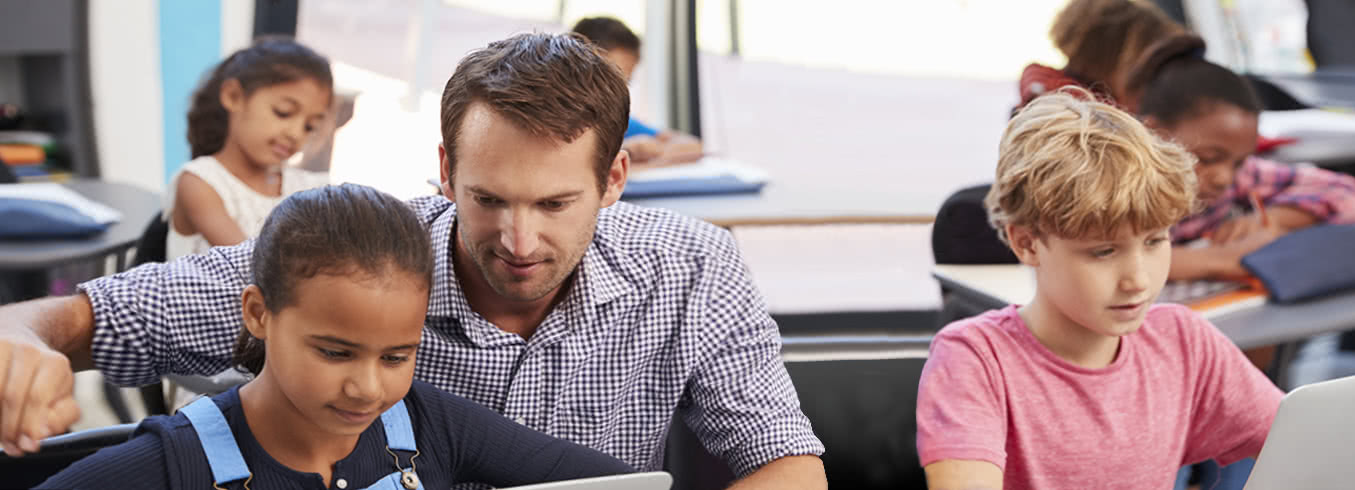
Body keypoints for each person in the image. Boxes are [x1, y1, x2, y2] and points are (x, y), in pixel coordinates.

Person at [0, 33, 826, 488]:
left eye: (553, 204)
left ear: (614, 180)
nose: (519, 241)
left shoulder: (696, 267)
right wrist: (25, 340)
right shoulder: (364, 253)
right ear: (444, 169)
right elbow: (93, 318)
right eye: (488, 198)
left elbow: (785, 461)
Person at [40, 184, 634, 489]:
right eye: (334, 352)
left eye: (398, 355)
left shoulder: (434, 425)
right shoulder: (172, 463)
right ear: (259, 313)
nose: (368, 388)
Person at [916, 88, 1284, 489]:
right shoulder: (974, 360)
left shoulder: (1183, 341)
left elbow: (1304, 443)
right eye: (1104, 252)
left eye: (1155, 241)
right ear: (1026, 243)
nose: (1138, 280)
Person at [1127, 37, 1355, 280]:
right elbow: (1115, 261)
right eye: (1208, 158)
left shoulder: (1240, 177)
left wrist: (1274, 218)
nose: (1225, 178)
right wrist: (1223, 259)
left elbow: (1352, 194)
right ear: (1153, 134)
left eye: (1238, 162)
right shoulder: (1116, 188)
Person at [167, 37, 333, 260]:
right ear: (233, 97)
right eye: (283, 112)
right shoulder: (199, 183)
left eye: (309, 126)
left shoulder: (304, 188)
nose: (295, 134)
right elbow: (255, 269)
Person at [571, 16, 705, 167]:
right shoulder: (553, 122)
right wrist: (624, 150)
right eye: (608, 79)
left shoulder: (615, 122)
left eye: (624, 82)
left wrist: (651, 150)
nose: (616, 92)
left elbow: (692, 145)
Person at [1016, 0, 1190, 111]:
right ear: (1111, 58)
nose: (1146, 70)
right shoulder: (1073, 111)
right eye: (1140, 57)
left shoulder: (1051, 92)